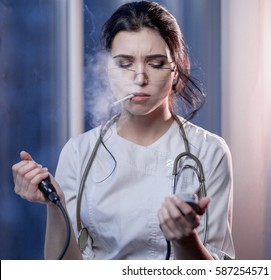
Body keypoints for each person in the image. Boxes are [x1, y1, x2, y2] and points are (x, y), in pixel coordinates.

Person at [12, 1, 234, 260]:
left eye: (156, 63)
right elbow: (63, 270)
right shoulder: (78, 152)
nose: (139, 78)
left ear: (175, 70)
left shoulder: (209, 152)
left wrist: (185, 239)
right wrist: (54, 204)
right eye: (125, 63)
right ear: (108, 70)